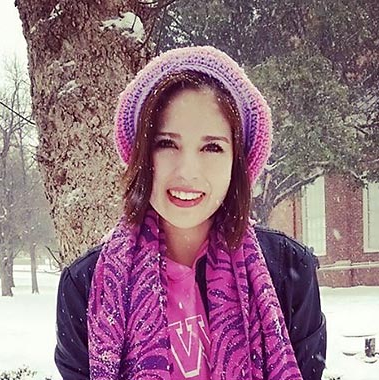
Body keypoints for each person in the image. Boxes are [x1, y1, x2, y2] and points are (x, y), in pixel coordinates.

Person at [55, 46, 326, 380]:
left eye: (212, 147)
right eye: (166, 143)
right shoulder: (85, 285)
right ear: (142, 154)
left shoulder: (287, 271)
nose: (187, 171)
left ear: (236, 162)